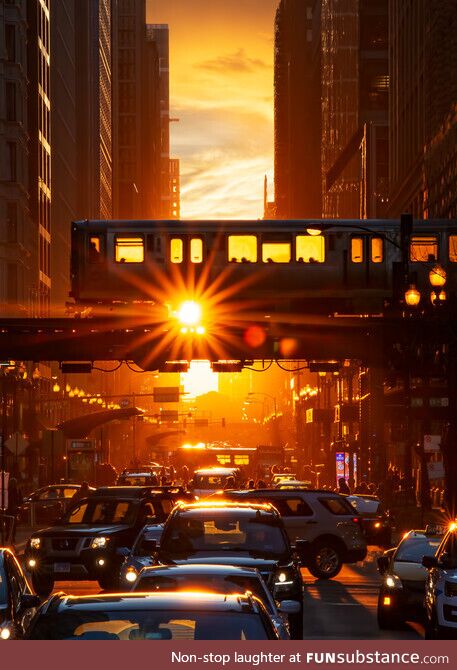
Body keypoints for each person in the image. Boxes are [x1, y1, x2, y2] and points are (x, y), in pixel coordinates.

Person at [7, 477, 22, 545]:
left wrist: (18, 505)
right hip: (9, 509)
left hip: (13, 509)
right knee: (9, 523)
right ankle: (9, 536)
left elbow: (20, 499)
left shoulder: (17, 490)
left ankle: (12, 536)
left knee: (13, 524)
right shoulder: (8, 490)